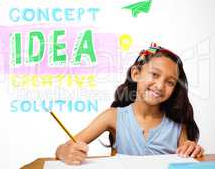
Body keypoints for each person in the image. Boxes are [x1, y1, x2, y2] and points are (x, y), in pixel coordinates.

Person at [55, 43, 204, 165]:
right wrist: (64, 152)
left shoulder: (177, 124)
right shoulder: (112, 117)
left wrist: (192, 149)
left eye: (170, 82)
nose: (159, 86)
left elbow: (187, 157)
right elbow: (63, 149)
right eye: (155, 75)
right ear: (135, 74)